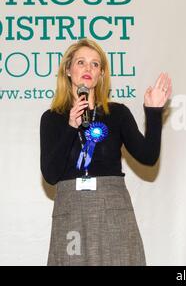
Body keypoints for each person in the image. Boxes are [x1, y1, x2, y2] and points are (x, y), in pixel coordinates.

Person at [40, 38, 172, 265]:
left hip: (112, 210)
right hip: (72, 211)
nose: (88, 68)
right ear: (68, 71)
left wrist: (153, 112)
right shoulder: (52, 118)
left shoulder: (117, 114)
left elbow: (148, 157)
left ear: (101, 74)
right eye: (81, 62)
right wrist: (71, 126)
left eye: (95, 64)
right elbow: (50, 175)